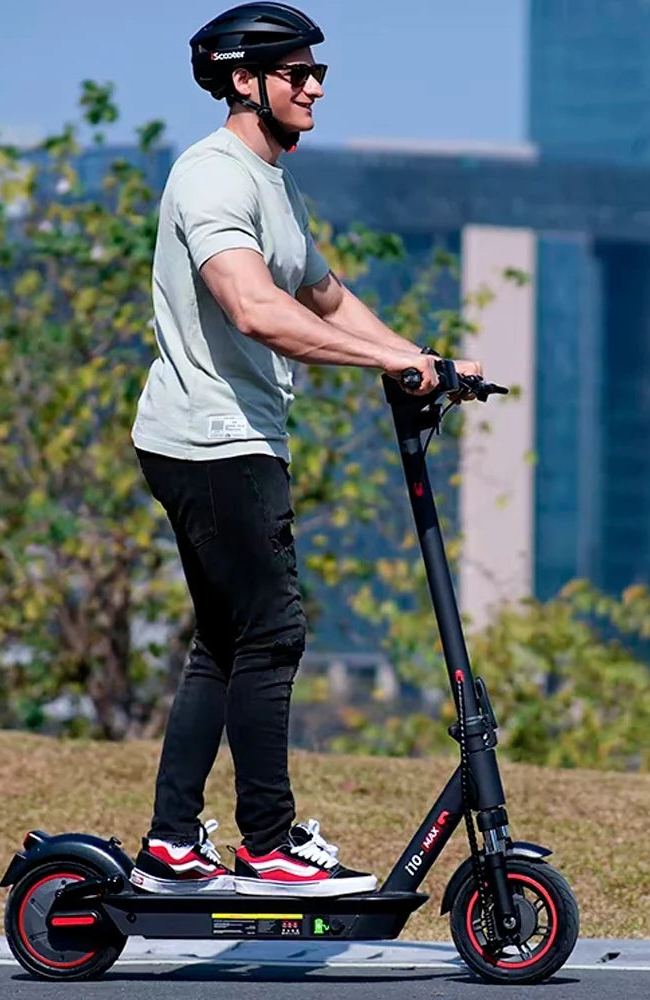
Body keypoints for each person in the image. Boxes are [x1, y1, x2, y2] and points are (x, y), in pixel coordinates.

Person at [129, 2, 482, 897]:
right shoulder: (212, 179)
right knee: (273, 632)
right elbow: (255, 309)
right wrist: (392, 363)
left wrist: (423, 359)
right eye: (298, 72)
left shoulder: (269, 181)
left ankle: (172, 845)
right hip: (215, 440)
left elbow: (323, 295)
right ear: (244, 80)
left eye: (318, 71)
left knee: (227, 639)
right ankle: (266, 846)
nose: (317, 86)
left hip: (226, 436)